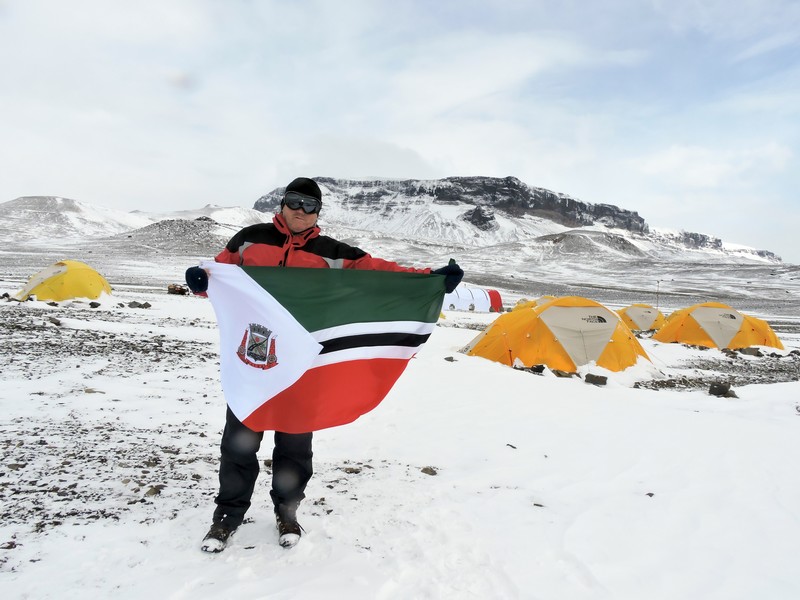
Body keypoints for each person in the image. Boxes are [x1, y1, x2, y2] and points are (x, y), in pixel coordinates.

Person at [185, 177, 463, 553]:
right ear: (282, 204)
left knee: (295, 447)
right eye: (293, 201)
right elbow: (220, 274)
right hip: (256, 363)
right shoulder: (249, 239)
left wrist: (429, 281)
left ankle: (287, 512)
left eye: (309, 205)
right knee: (239, 445)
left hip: (305, 368)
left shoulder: (332, 252)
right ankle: (226, 518)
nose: (300, 210)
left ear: (318, 212)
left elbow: (378, 273)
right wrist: (200, 281)